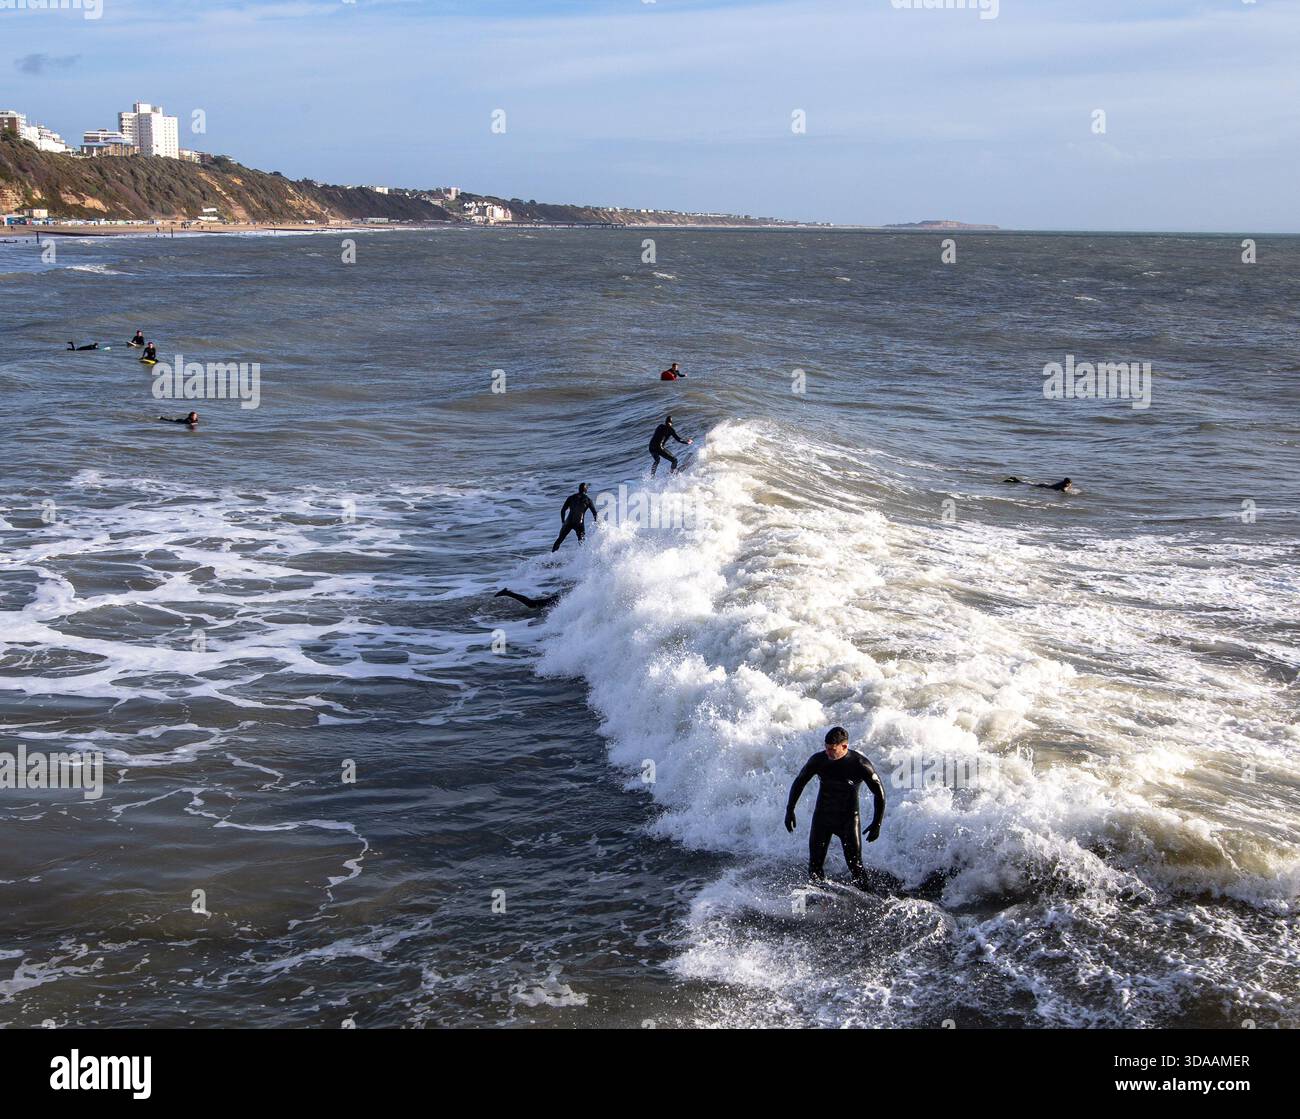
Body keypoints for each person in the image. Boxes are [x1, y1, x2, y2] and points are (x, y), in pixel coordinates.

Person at [785, 726, 886, 889]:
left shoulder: (860, 764)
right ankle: (818, 899)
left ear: (844, 747)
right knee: (815, 864)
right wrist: (790, 810)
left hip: (848, 820)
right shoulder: (819, 760)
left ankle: (867, 899)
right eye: (826, 749)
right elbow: (799, 782)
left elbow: (879, 793)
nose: (828, 753)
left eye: (832, 750)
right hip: (822, 818)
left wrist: (877, 823)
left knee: (856, 866)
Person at [552, 483, 598, 552]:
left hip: (568, 522)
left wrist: (563, 522)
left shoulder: (571, 497)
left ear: (579, 489)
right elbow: (595, 513)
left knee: (559, 540)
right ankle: (583, 558)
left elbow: (563, 510)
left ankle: (551, 558)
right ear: (586, 490)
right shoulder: (588, 500)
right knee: (582, 542)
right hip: (579, 523)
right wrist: (597, 523)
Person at [495, 588, 560, 611]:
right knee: (531, 604)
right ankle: (507, 593)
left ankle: (507, 593)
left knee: (531, 604)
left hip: (560, 598)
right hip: (559, 599)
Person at [1003, 476, 1077, 493]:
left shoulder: (1063, 483)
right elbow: (1064, 491)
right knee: (1028, 485)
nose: (1070, 484)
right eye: (1069, 483)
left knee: (1028, 484)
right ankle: (1015, 480)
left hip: (1045, 485)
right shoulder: (1063, 486)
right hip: (1045, 487)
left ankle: (1015, 480)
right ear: (1067, 483)